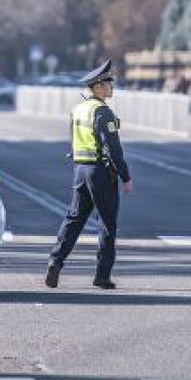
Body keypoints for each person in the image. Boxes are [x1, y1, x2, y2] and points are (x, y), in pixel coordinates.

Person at [46, 59, 133, 290]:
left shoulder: (79, 109)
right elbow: (113, 148)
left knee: (74, 219)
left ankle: (56, 260)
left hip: (80, 170)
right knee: (106, 223)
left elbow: (73, 143)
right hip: (100, 172)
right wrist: (125, 176)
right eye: (108, 82)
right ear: (97, 87)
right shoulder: (102, 112)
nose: (111, 86)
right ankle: (102, 275)